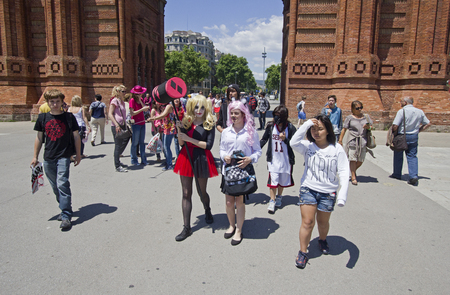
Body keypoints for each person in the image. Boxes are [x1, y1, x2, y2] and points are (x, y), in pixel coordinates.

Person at [290, 114, 350, 269]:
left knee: (323, 223)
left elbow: (344, 171)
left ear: (328, 130)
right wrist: (307, 124)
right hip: (308, 189)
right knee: (307, 222)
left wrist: (342, 194)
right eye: (313, 129)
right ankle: (303, 252)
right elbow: (292, 142)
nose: (316, 132)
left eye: (320, 129)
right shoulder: (307, 146)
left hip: (328, 193)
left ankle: (322, 239)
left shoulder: (336, 149)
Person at [31, 89, 81, 230]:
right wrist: (35, 156)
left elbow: (76, 136)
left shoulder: (69, 117)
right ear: (47, 102)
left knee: (62, 183)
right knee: (55, 185)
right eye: (52, 101)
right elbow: (39, 138)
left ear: (62, 102)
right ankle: (65, 207)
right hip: (48, 157)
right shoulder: (43, 118)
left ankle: (65, 215)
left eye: (57, 101)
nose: (54, 104)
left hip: (64, 156)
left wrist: (78, 154)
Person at [173, 95, 218, 241]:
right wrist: (180, 131)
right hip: (186, 157)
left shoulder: (209, 124)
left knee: (201, 191)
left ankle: (207, 209)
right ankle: (187, 227)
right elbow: (181, 143)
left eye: (202, 107)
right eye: (196, 107)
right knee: (186, 193)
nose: (199, 110)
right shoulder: (186, 122)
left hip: (201, 158)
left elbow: (209, 145)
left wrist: (190, 139)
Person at [220, 101, 262, 246]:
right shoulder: (226, 132)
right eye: (232, 113)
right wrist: (224, 156)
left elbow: (258, 151)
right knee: (228, 202)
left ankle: (239, 230)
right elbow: (221, 149)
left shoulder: (251, 132)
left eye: (236, 113)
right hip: (229, 170)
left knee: (239, 201)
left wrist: (251, 158)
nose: (233, 116)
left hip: (243, 170)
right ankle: (231, 225)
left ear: (244, 115)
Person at [260, 105, 297, 214]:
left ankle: (279, 196)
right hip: (273, 159)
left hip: (285, 159)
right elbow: (264, 139)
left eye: (278, 116)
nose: (276, 118)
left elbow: (295, 144)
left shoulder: (290, 128)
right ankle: (272, 200)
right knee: (273, 180)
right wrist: (255, 149)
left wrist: (285, 140)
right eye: (275, 115)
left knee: (282, 179)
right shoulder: (271, 126)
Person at [390, 96, 431, 186]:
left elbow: (395, 125)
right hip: (413, 136)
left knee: (398, 155)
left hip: (401, 136)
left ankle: (397, 174)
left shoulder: (402, 111)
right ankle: (413, 176)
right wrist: (418, 131)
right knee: (412, 156)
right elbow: (428, 123)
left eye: (401, 101)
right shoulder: (419, 111)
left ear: (405, 102)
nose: (400, 103)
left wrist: (394, 135)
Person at [338, 101, 373, 185]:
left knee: (361, 160)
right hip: (352, 140)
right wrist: (340, 140)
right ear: (352, 109)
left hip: (363, 141)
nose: (359, 110)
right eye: (357, 108)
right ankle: (353, 176)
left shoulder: (366, 117)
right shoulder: (349, 118)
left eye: (361, 107)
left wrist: (368, 127)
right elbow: (344, 129)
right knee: (352, 159)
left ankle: (352, 170)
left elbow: (371, 126)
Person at [109, 85, 131, 172]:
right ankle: (117, 165)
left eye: (125, 91)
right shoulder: (114, 101)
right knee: (118, 145)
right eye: (123, 91)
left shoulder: (121, 101)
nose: (125, 93)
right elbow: (110, 114)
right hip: (116, 126)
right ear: (118, 92)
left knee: (126, 138)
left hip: (122, 125)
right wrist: (116, 124)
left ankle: (117, 158)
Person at [149, 101, 176, 171]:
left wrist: (153, 118)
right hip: (165, 129)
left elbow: (163, 115)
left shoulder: (169, 106)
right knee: (164, 147)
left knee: (166, 147)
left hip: (170, 129)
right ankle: (167, 161)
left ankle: (169, 164)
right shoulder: (162, 107)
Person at [129, 85, 150, 166]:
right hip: (136, 124)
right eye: (139, 93)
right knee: (135, 142)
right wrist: (141, 109)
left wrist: (141, 102)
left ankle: (143, 159)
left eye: (141, 93)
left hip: (142, 122)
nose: (141, 95)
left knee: (142, 142)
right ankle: (134, 159)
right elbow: (132, 113)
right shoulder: (132, 100)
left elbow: (145, 108)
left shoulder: (141, 99)